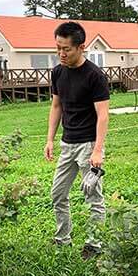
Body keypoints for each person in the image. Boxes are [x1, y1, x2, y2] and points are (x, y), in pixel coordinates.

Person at [44, 21, 110, 260]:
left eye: (66, 49)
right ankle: (63, 239)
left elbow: (103, 115)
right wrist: (50, 139)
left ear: (81, 47)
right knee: (57, 193)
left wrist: (98, 150)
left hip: (88, 145)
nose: (61, 53)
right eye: (58, 48)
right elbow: (56, 105)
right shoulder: (57, 72)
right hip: (67, 144)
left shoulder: (95, 76)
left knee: (93, 196)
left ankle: (94, 244)